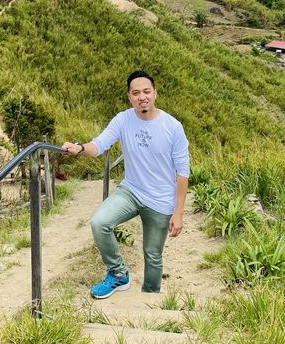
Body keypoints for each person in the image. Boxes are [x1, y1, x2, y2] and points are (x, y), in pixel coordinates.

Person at [62, 70, 190, 299]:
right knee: (100, 222)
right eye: (136, 92)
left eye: (146, 91)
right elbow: (99, 145)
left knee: (152, 254)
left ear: (155, 94)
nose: (142, 96)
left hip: (161, 199)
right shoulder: (123, 120)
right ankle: (118, 273)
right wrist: (80, 148)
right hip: (131, 190)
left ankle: (150, 299)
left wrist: (178, 212)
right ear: (129, 96)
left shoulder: (173, 127)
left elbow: (182, 173)